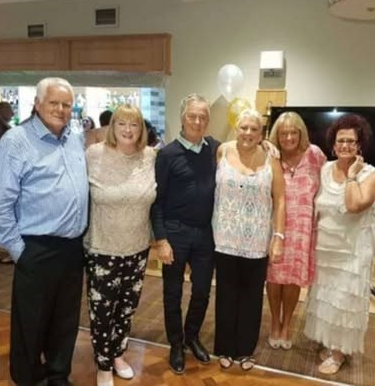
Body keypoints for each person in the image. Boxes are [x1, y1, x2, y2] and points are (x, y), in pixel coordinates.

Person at [0, 77, 88, 386]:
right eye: (54, 102)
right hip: (36, 248)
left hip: (72, 248)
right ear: (37, 103)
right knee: (31, 321)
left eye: (67, 104)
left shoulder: (74, 138)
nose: (61, 109)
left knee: (65, 320)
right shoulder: (16, 141)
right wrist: (19, 250)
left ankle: (58, 375)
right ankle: (27, 378)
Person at [84, 104, 156, 386]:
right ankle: (103, 365)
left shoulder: (150, 157)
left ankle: (118, 355)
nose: (128, 129)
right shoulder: (94, 155)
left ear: (142, 129)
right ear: (112, 127)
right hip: (102, 248)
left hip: (137, 249)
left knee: (126, 308)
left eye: (134, 124)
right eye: (122, 123)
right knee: (102, 312)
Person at [304, 113, 375, 375]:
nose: (345, 145)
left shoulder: (371, 175)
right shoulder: (324, 169)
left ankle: (339, 352)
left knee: (345, 300)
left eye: (351, 141)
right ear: (333, 144)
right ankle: (330, 343)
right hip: (325, 250)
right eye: (341, 141)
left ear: (360, 144)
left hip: (352, 253)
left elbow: (354, 205)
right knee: (327, 299)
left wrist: (351, 175)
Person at [212, 109, 285, 371]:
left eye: (254, 129)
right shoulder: (221, 151)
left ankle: (245, 350)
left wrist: (278, 236)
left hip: (256, 240)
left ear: (261, 133)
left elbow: (280, 199)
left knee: (252, 296)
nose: (248, 133)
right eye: (244, 127)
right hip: (224, 237)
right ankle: (224, 347)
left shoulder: (271, 158)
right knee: (225, 293)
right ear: (236, 129)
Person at [151, 93, 219, 375]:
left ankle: (191, 335)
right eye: (192, 115)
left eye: (203, 116)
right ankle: (176, 344)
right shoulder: (167, 155)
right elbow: (156, 202)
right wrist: (161, 240)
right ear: (182, 118)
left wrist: (266, 144)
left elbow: (242, 147)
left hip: (205, 234)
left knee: (202, 291)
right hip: (175, 233)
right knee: (172, 293)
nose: (198, 121)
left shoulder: (213, 148)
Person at [265, 112, 326, 350]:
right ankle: (274, 322)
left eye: (293, 132)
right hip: (275, 227)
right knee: (274, 277)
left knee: (292, 280)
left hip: (302, 230)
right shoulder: (271, 156)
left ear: (301, 134)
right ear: (276, 136)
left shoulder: (315, 155)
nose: (289, 137)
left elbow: (327, 187)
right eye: (283, 133)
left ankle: (287, 323)